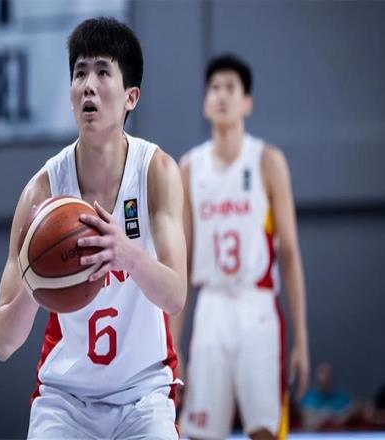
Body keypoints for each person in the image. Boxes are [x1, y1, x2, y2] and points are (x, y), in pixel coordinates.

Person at [0, 17, 187, 439]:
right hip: (65, 399)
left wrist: (127, 254)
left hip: (143, 395)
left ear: (131, 96)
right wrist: (34, 283)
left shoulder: (156, 172)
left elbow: (175, 296)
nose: (88, 86)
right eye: (80, 73)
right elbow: (1, 343)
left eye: (102, 72)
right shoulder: (42, 192)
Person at [172, 54, 310, 440]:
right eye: (214, 88)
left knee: (264, 431)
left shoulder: (268, 161)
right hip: (211, 306)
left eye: (230, 88)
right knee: (199, 433)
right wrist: (173, 342)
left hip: (257, 306)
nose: (221, 95)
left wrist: (301, 337)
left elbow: (289, 253)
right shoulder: (189, 167)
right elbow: (181, 262)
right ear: (205, 102)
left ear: (247, 102)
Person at [300, 362, 355, 431]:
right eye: (322, 372)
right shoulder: (308, 398)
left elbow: (351, 413)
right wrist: (323, 416)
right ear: (316, 376)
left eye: (329, 373)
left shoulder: (342, 397)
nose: (326, 376)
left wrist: (335, 417)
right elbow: (307, 423)